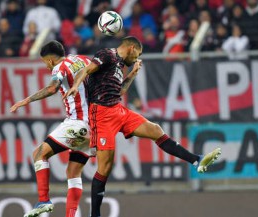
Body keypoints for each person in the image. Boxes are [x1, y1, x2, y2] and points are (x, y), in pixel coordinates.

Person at [64, 36, 222, 217]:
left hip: (118, 109)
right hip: (101, 114)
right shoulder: (107, 54)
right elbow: (87, 69)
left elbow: (120, 91)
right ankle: (96, 215)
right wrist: (76, 86)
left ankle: (197, 160)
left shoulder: (120, 66)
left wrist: (131, 74)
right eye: (138, 53)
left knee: (155, 130)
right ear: (131, 48)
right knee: (105, 167)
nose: (137, 58)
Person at [10, 40, 94, 217]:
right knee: (73, 172)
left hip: (77, 122)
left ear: (49, 60)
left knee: (39, 154)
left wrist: (26, 100)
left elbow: (52, 88)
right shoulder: (83, 60)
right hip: (94, 127)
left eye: (44, 63)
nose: (47, 67)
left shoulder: (59, 67)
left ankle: (43, 200)